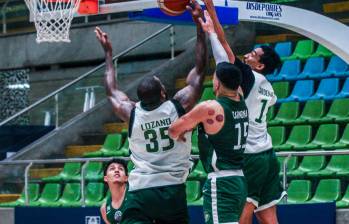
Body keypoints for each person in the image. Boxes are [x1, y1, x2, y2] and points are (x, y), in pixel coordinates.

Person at [95, 1, 207, 222]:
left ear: (139, 98)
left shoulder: (131, 112)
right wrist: (199, 26)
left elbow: (111, 91)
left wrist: (108, 53)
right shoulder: (178, 105)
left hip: (140, 190)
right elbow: (200, 71)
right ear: (163, 93)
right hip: (172, 190)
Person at [200, 1, 285, 223]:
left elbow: (225, 47)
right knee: (268, 216)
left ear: (259, 66)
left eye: (253, 55)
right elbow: (223, 57)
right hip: (267, 154)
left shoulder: (246, 77)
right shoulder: (267, 85)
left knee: (242, 215)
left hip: (250, 156)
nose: (247, 55)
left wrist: (212, 13)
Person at [169, 61, 249, 224]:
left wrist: (185, 131)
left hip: (221, 183)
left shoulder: (209, 108)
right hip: (239, 181)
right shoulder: (241, 99)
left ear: (217, 82)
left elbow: (173, 130)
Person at [100, 159, 129, 224]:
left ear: (126, 178)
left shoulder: (136, 196)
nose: (116, 170)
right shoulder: (104, 208)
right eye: (112, 168)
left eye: (121, 169)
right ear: (106, 178)